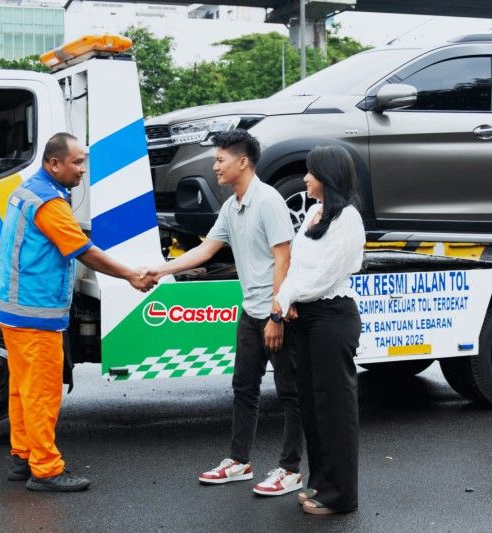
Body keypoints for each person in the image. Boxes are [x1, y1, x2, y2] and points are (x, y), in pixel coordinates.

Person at [144, 129, 304, 497]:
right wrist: (160, 271)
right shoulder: (232, 206)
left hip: (276, 313)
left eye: (220, 159)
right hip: (250, 312)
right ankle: (239, 461)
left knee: (290, 393)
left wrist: (276, 316)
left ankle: (290, 469)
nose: (215, 166)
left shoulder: (269, 201)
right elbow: (206, 251)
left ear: (242, 162)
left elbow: (285, 259)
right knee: (243, 388)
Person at [0, 132, 156, 492]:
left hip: (14, 309)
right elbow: (84, 251)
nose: (83, 169)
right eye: (77, 162)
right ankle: (47, 470)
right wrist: (131, 275)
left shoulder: (28, 190)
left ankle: (23, 457)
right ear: (54, 164)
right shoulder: (50, 203)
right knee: (41, 393)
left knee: (22, 390)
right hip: (36, 313)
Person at [272, 145, 366, 514]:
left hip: (332, 318)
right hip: (306, 318)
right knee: (312, 407)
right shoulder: (314, 211)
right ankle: (322, 484)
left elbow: (323, 274)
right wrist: (287, 297)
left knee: (335, 411)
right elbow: (297, 265)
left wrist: (285, 298)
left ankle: (342, 496)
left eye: (311, 172)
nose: (306, 178)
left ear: (327, 177)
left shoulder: (349, 220)